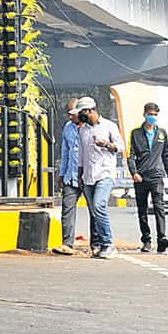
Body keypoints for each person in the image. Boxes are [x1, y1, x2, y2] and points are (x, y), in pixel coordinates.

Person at [76, 96, 124, 259]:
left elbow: (121, 146)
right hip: (88, 175)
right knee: (94, 211)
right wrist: (80, 173)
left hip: (105, 173)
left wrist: (107, 145)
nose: (79, 115)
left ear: (90, 111)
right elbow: (81, 153)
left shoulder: (109, 126)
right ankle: (98, 245)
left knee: (99, 206)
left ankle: (109, 244)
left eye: (81, 112)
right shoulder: (82, 130)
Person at [126, 101, 168, 253]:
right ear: (144, 114)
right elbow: (130, 155)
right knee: (142, 210)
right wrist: (134, 173)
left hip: (157, 176)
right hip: (141, 177)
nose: (152, 117)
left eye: (155, 115)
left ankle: (162, 238)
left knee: (159, 207)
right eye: (150, 114)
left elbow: (167, 157)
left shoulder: (162, 133)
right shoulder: (135, 133)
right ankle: (146, 239)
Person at [51, 98, 83, 255]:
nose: (70, 117)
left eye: (73, 113)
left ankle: (98, 245)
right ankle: (67, 244)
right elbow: (65, 152)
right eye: (69, 114)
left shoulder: (92, 128)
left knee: (96, 210)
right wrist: (62, 173)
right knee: (67, 209)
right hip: (71, 175)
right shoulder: (68, 128)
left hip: (89, 176)